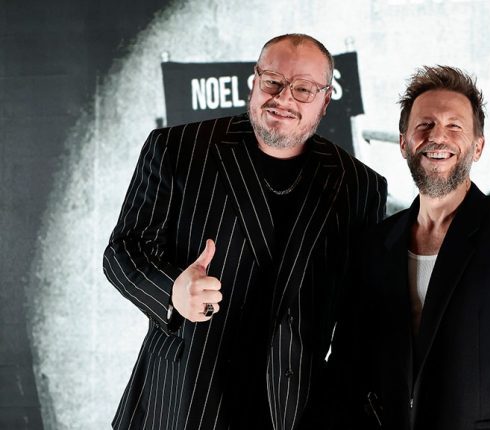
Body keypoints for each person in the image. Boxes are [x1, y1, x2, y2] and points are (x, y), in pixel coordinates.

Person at [102, 33, 387, 430]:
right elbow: (124, 250)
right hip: (183, 398)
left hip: (292, 410)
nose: (284, 98)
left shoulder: (360, 186)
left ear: (325, 101)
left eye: (303, 89)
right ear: (255, 80)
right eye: (273, 81)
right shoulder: (178, 148)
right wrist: (172, 293)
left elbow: (359, 317)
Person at [333, 66, 490, 430]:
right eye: (425, 125)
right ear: (403, 143)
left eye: (454, 126)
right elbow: (348, 367)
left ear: (477, 147)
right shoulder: (374, 245)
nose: (438, 137)